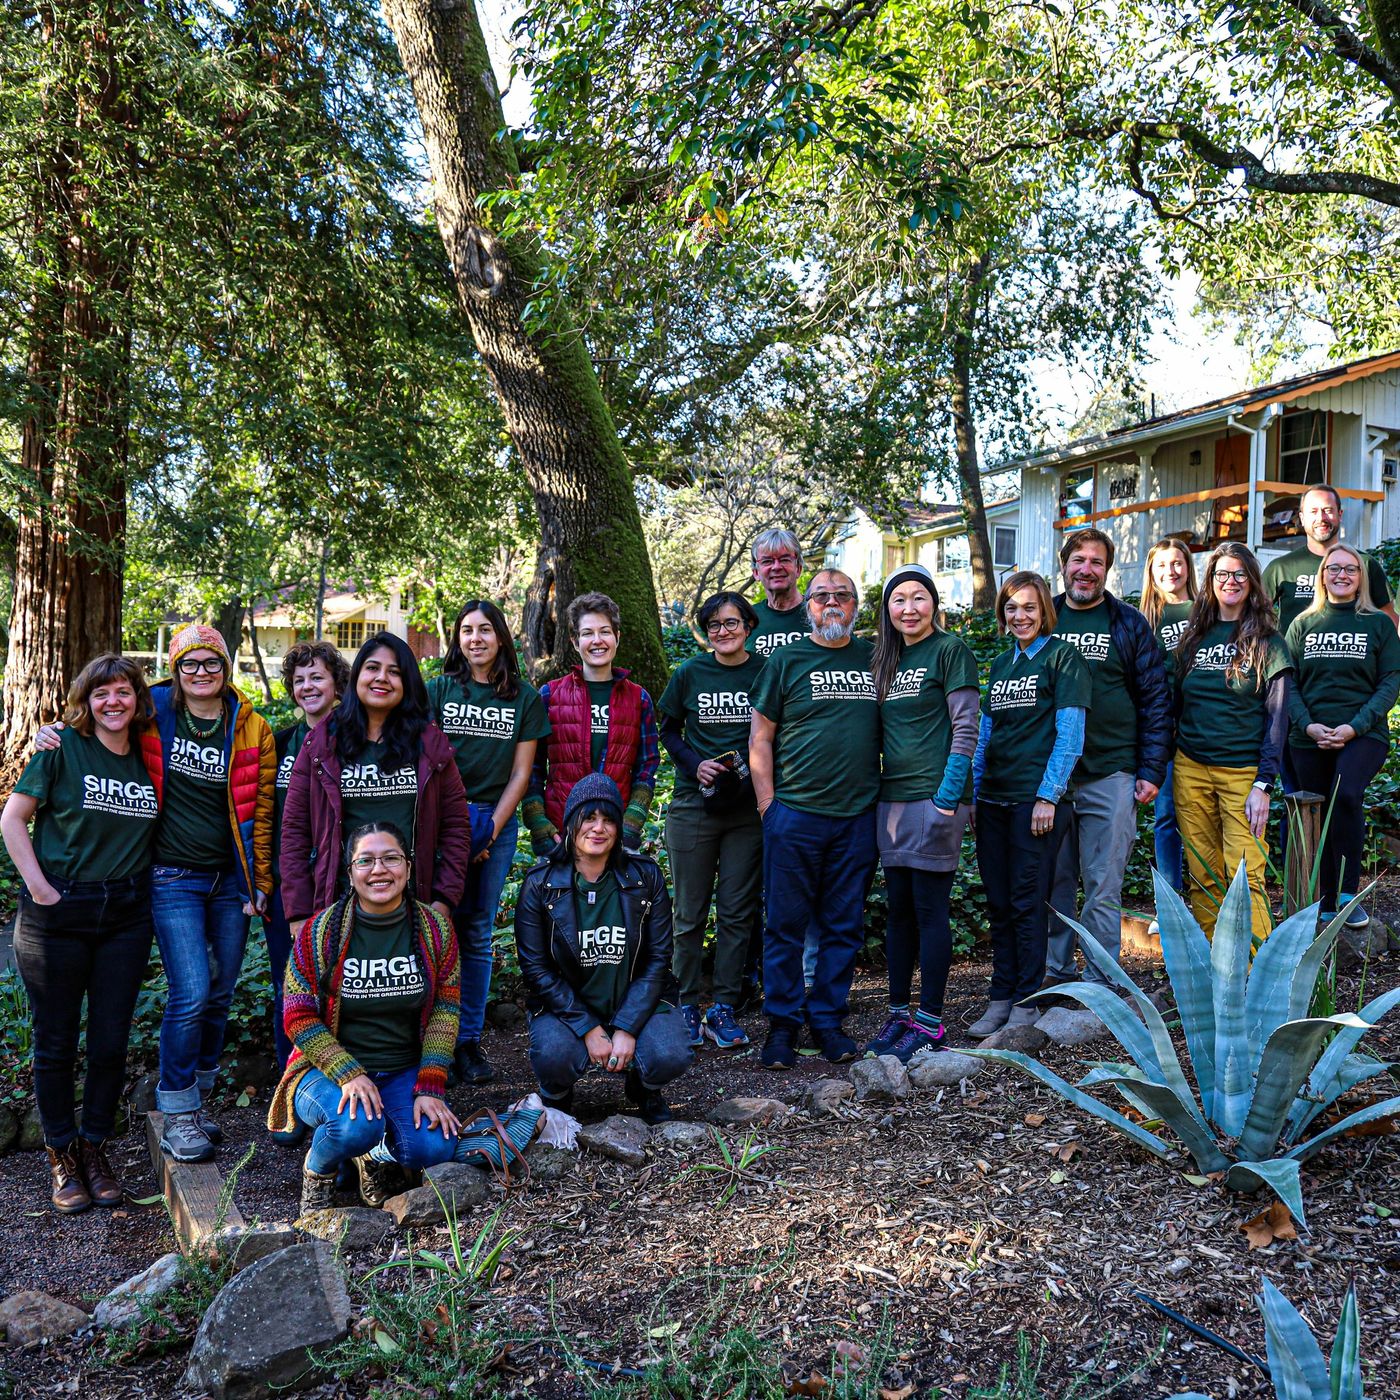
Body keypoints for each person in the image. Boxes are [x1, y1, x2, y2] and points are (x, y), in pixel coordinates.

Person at [38, 625, 278, 1163]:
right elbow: (102, 715)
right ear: (175, 668)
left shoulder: (252, 727)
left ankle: (199, 1094)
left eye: (211, 664)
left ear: (225, 666)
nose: (200, 674)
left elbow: (260, 812)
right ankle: (177, 1111)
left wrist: (257, 882)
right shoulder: (155, 711)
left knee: (220, 991)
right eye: (189, 664)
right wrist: (50, 731)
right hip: (171, 875)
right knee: (191, 989)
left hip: (228, 883)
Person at [2, 656, 161, 1212]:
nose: (112, 702)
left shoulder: (151, 753)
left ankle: (94, 1147)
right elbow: (12, 818)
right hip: (58, 912)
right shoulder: (61, 746)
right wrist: (42, 890)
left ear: (138, 699)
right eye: (101, 694)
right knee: (55, 1040)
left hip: (125, 914)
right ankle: (61, 1158)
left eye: (123, 692)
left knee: (111, 1040)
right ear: (86, 701)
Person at [266, 822, 467, 1214]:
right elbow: (297, 1015)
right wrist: (349, 1073)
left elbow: (446, 1009)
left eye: (391, 858)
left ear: (408, 868)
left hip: (400, 1070)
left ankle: (372, 1157)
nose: (379, 870)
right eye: (366, 861)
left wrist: (430, 1084)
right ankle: (318, 1171)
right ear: (350, 872)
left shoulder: (434, 929)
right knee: (354, 1126)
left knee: (434, 1147)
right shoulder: (320, 933)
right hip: (323, 1072)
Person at [749, 568, 880, 1068]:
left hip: (856, 818)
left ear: (855, 606)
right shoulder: (787, 659)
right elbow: (759, 736)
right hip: (795, 814)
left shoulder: (875, 657)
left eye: (841, 596)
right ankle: (782, 1024)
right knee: (784, 925)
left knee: (843, 925)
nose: (831, 603)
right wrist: (767, 806)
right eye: (822, 595)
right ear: (808, 605)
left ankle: (827, 1018)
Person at [514, 774, 692, 1123]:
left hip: (634, 1000)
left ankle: (644, 1087)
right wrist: (588, 1028)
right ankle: (558, 1094)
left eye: (609, 819)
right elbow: (536, 970)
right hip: (567, 1007)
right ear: (570, 825)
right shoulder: (540, 884)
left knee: (670, 1054)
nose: (598, 828)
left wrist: (625, 1028)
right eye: (589, 818)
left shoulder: (645, 877)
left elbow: (658, 959)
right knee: (552, 1054)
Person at [427, 600, 550, 1085]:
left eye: (484, 630)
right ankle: (428, 1040)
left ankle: (466, 1042)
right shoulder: (438, 690)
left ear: (501, 636)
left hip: (492, 825)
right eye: (466, 630)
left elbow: (522, 773)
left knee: (476, 933)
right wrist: (456, 832)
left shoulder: (524, 697)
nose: (474, 638)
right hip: (440, 821)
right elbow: (428, 762)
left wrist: (491, 830)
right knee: (435, 928)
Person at [1046, 529, 1171, 988]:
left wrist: (1152, 769)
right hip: (1050, 781)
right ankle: (1054, 975)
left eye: (1096, 562)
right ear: (1064, 564)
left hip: (1112, 772)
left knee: (1102, 885)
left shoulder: (1128, 622)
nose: (1086, 570)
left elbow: (1156, 698)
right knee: (1053, 883)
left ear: (1107, 570)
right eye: (1078, 559)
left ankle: (1100, 982)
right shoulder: (1044, 616)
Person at [970, 573, 1091, 1038]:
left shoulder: (1064, 659)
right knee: (999, 903)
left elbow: (1070, 736)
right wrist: (976, 793)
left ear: (1044, 612)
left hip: (1035, 802)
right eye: (1012, 608)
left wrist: (1048, 795)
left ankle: (1026, 999)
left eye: (1029, 608)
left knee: (1026, 901)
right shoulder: (1000, 665)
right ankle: (1000, 997)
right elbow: (985, 737)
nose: (1020, 616)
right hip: (994, 800)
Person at [280, 631, 470, 926]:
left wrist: (443, 901)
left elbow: (456, 829)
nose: (382, 677)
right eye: (372, 668)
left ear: (407, 683)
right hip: (338, 907)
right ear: (357, 676)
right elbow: (295, 832)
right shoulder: (322, 745)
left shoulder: (431, 747)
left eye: (394, 672)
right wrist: (299, 914)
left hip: (415, 907)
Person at [867, 565, 979, 1061]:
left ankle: (931, 1021)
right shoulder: (884, 658)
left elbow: (966, 729)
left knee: (931, 910)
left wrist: (947, 798)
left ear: (934, 602)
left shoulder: (950, 651)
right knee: (899, 912)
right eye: (898, 600)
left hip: (935, 799)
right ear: (887, 610)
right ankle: (897, 1015)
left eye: (919, 598)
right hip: (891, 801)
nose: (909, 608)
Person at [657, 591, 765, 1050]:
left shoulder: (764, 672)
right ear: (706, 630)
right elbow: (667, 729)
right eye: (715, 624)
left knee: (739, 912)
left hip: (747, 810)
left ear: (747, 625)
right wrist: (694, 763)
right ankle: (684, 1004)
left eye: (732, 622)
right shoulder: (690, 673)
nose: (724, 631)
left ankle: (723, 1006)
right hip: (693, 807)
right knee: (688, 913)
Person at [1173, 543, 1293, 941]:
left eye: (1239, 574)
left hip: (1243, 775)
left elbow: (1278, 720)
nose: (1231, 581)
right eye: (1222, 574)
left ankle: (1253, 974)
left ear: (1253, 582)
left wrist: (1264, 784)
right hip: (1190, 769)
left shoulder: (1269, 642)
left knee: (1245, 876)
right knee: (1202, 874)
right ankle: (1213, 966)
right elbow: (1175, 703)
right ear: (1209, 582)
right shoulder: (1194, 638)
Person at [1285, 543, 1400, 926]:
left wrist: (1354, 727)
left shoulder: (1378, 624)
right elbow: (1289, 685)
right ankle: (1324, 899)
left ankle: (1349, 895)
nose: (1342, 575)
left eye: (1350, 569)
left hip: (1363, 734)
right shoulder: (1302, 624)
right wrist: (1308, 725)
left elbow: (1390, 681)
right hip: (1309, 737)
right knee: (1315, 813)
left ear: (1361, 577)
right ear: (1322, 575)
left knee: (1346, 794)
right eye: (1333, 568)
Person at [522, 592, 659, 856]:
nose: (597, 641)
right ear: (575, 641)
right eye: (587, 633)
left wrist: (631, 824)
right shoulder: (550, 696)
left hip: (613, 830)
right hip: (560, 831)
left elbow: (647, 766)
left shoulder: (638, 698)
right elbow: (531, 766)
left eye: (605, 631)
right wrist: (538, 822)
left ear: (617, 637)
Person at [268, 641, 350, 1071]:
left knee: (340, 986)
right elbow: (262, 819)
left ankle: (344, 1079)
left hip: (339, 884)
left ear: (338, 684)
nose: (307, 686)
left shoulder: (353, 739)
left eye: (317, 676)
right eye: (298, 680)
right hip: (289, 887)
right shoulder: (279, 743)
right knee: (290, 986)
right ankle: (293, 1081)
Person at [1138, 539, 1198, 903]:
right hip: (1162, 730)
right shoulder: (1144, 619)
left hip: (1201, 727)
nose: (1170, 571)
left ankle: (1209, 893)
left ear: (1188, 567)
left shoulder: (1204, 610)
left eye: (1177, 563)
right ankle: (1171, 899)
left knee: (1200, 817)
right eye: (1162, 565)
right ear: (1151, 571)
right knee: (1166, 817)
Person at [1262, 484, 1397, 633]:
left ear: (1340, 514)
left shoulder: (1364, 563)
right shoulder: (1280, 568)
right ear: (1302, 517)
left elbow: (1390, 619)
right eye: (1313, 511)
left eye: (1328, 510)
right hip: (1294, 655)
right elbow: (1254, 615)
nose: (1321, 518)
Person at [748, 528, 809, 657]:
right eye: (767, 561)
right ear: (756, 573)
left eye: (785, 559)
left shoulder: (819, 615)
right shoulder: (747, 618)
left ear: (798, 568)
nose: (776, 567)